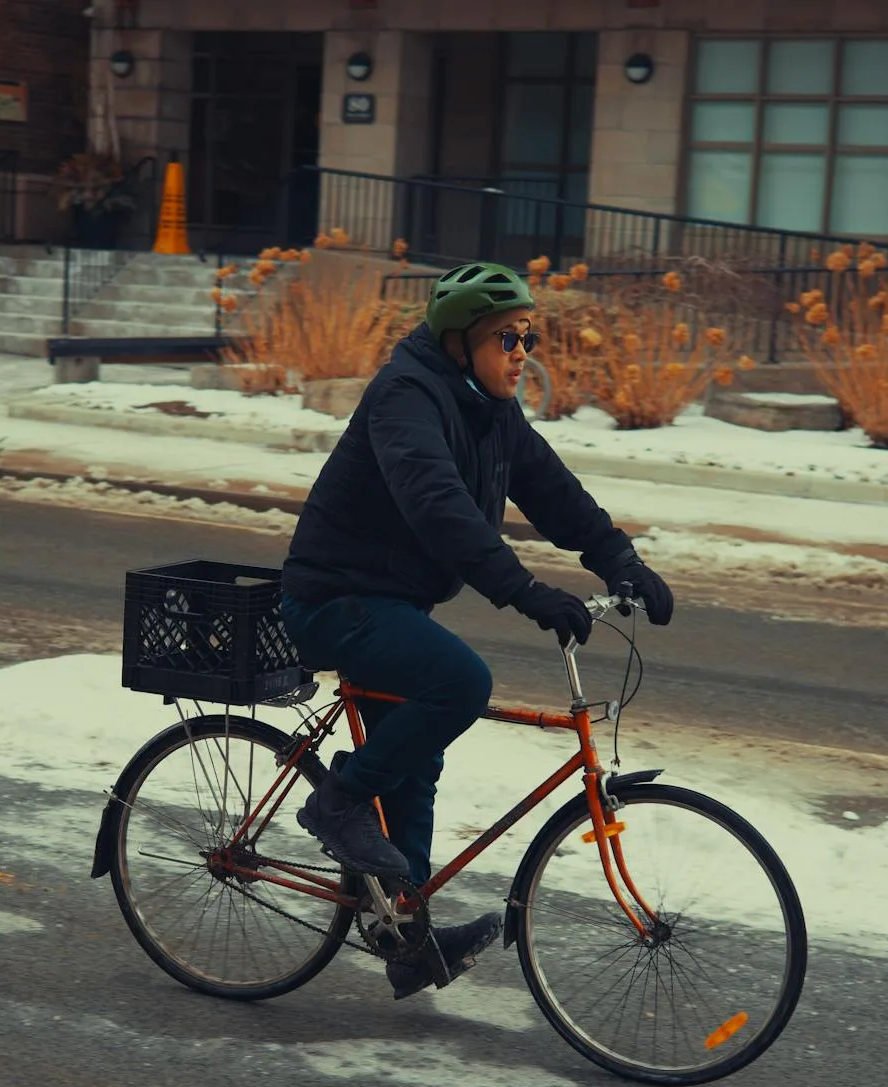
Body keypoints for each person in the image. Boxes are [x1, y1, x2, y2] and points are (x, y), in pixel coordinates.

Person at [278, 261, 675, 1000]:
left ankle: (405, 931)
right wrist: (523, 591)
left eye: (528, 336)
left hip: (391, 604)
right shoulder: (407, 396)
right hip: (334, 601)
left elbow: (553, 490)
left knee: (416, 761)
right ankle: (336, 800)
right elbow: (437, 505)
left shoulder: (489, 406)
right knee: (460, 682)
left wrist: (619, 558)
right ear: (459, 342)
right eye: (506, 337)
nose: (522, 351)